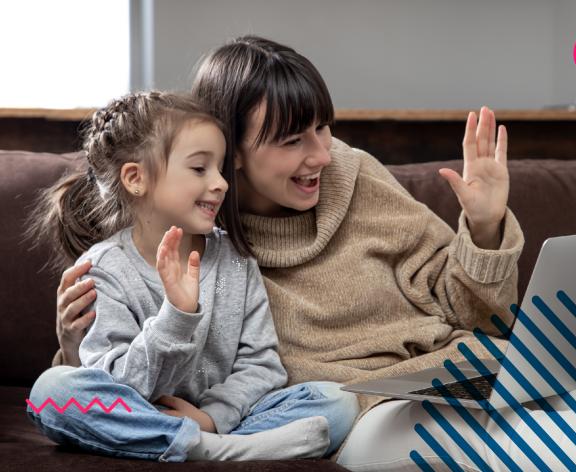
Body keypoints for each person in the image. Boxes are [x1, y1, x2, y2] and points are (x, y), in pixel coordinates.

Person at [48, 37, 576, 470]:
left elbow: (471, 311)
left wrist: (485, 228)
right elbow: (134, 371)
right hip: (367, 412)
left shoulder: (351, 173)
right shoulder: (204, 246)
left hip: (464, 373)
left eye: (323, 128)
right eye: (291, 140)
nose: (320, 155)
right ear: (229, 152)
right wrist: (73, 346)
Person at [24, 90, 359, 463]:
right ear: (136, 178)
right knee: (50, 393)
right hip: (143, 417)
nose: (221, 183)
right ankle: (208, 449)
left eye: (220, 168)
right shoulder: (104, 270)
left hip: (225, 421)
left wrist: (210, 419)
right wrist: (176, 319)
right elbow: (118, 384)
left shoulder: (234, 259)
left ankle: (205, 443)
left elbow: (261, 365)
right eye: (200, 169)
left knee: (336, 400)